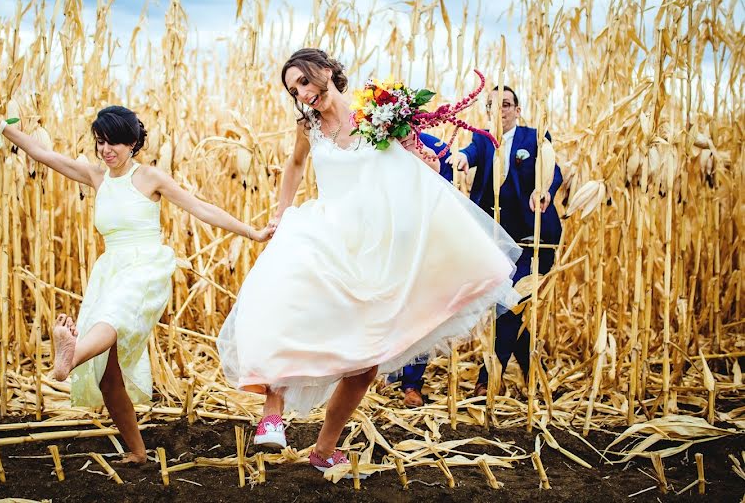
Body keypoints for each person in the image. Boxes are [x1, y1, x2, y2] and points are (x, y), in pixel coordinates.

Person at [217, 49, 520, 475]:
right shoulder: (308, 126)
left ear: (325, 71)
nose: (302, 94)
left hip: (378, 241)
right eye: (293, 90)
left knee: (367, 356)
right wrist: (283, 212)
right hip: (327, 232)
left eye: (304, 81)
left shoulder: (378, 109)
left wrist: (425, 158)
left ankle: (323, 449)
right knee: (283, 296)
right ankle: (273, 409)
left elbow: (416, 158)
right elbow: (296, 164)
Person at [0, 95, 271, 464]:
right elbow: (41, 153)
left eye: (113, 142)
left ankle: (71, 355)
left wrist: (252, 233)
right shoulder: (96, 176)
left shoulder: (149, 177)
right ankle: (139, 453)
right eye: (100, 141)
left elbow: (201, 208)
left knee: (115, 315)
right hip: (110, 270)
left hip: (145, 267)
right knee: (108, 375)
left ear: (132, 143)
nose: (105, 149)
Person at [449, 85, 563, 397]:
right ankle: (531, 370)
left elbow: (553, 173)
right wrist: (460, 156)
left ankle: (489, 377)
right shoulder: (483, 139)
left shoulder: (535, 137)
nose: (500, 110)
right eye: (492, 105)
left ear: (518, 109)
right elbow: (470, 154)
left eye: (507, 104)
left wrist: (545, 190)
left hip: (533, 237)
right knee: (514, 305)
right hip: (498, 240)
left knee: (512, 303)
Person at [391, 133, 454, 408]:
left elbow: (446, 182)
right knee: (390, 306)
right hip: (388, 237)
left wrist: (421, 156)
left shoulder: (432, 145)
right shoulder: (374, 143)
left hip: (424, 239)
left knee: (422, 309)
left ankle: (412, 384)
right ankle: (386, 373)